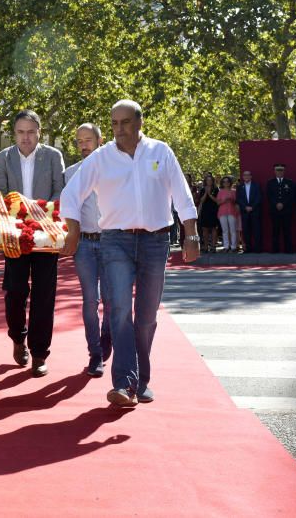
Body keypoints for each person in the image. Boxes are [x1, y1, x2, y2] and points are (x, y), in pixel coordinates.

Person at [61, 100, 199, 407]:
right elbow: (71, 195)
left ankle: (142, 380)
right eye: (114, 123)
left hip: (156, 241)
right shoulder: (101, 158)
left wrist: (191, 234)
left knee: (147, 316)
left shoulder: (160, 152)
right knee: (120, 311)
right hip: (115, 242)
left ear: (139, 122)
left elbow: (182, 193)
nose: (119, 129)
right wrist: (72, 230)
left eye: (125, 122)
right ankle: (123, 384)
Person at [0, 109, 65, 378]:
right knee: (15, 292)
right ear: (14, 133)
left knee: (44, 296)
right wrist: (18, 216)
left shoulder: (53, 156)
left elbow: (60, 191)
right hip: (15, 236)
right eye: (21, 132)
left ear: (39, 132)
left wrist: (39, 212)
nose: (26, 137)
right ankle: (17, 337)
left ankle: (39, 354)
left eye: (31, 132)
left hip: (46, 234)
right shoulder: (3, 158)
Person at [64, 122, 112, 378]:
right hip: (84, 244)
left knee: (111, 299)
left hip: (112, 242)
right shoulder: (70, 173)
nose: (83, 144)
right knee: (90, 300)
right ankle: (94, 353)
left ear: (99, 140)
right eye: (79, 140)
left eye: (88, 139)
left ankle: (107, 338)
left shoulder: (113, 168)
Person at [266, 164, 294, 252]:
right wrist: (276, 204)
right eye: (277, 170)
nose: (279, 172)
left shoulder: (289, 182)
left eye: (281, 170)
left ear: (284, 171)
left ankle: (288, 249)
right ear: (274, 171)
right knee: (275, 230)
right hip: (275, 210)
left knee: (287, 230)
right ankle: (275, 249)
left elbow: (291, 195)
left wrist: (283, 204)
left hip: (286, 210)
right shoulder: (270, 182)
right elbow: (269, 195)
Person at [236, 170, 262, 252]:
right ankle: (248, 249)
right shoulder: (240, 187)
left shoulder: (256, 186)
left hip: (255, 211)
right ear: (243, 177)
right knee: (246, 231)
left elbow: (259, 197)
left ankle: (257, 249)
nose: (246, 177)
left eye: (248, 175)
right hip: (244, 212)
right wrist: (245, 207)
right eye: (245, 175)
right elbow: (239, 199)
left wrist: (252, 207)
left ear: (251, 176)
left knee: (256, 230)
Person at [196, 174, 219, 252]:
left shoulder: (216, 189)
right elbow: (201, 200)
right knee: (204, 229)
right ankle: (205, 247)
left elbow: (217, 201)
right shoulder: (202, 189)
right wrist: (206, 193)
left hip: (213, 210)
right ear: (205, 182)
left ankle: (213, 246)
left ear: (213, 181)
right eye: (207, 180)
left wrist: (210, 194)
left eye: (210, 180)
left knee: (214, 228)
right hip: (205, 211)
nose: (209, 182)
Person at [216, 176, 238, 253]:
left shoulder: (234, 191)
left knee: (233, 230)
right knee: (225, 230)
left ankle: (234, 247)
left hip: (232, 211)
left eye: (227, 181)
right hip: (222, 212)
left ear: (230, 182)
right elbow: (218, 203)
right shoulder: (220, 191)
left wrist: (232, 200)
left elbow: (236, 202)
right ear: (222, 183)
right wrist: (224, 200)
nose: (226, 183)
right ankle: (226, 246)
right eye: (224, 182)